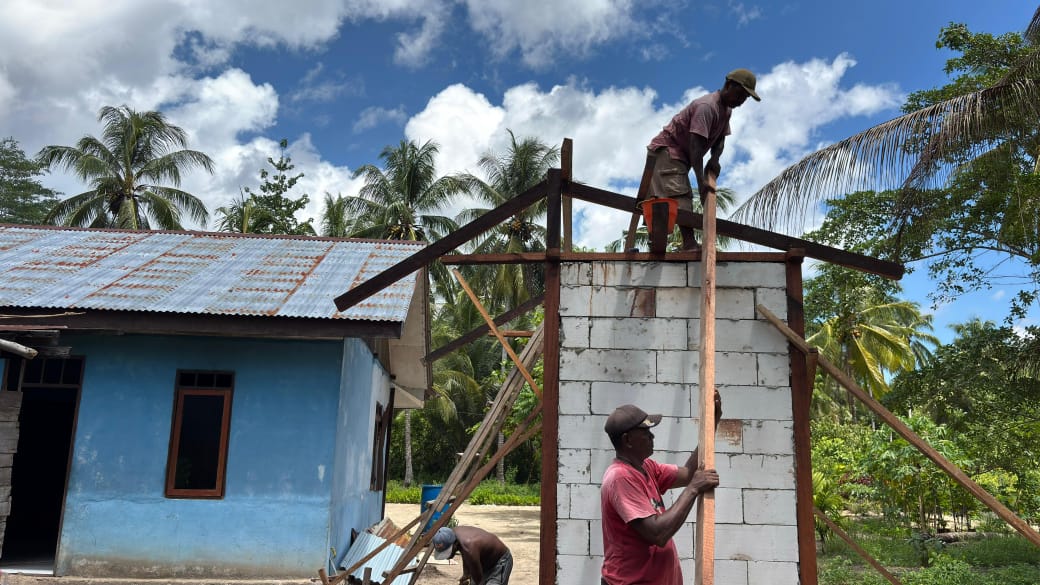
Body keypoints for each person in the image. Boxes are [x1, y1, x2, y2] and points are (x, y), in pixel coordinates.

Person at [600, 394, 723, 585]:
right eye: (646, 432)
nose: (652, 436)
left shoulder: (646, 467)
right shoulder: (620, 477)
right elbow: (658, 534)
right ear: (628, 440)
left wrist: (711, 425)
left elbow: (689, 473)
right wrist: (693, 489)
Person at [646, 68, 761, 250]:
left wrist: (715, 159)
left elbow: (721, 138)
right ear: (729, 85)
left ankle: (664, 242)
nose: (741, 101)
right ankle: (688, 243)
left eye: (745, 99)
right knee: (680, 194)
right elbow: (695, 146)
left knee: (665, 196)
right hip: (666, 150)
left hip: (682, 155)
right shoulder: (706, 107)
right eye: (740, 95)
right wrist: (700, 181)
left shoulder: (726, 110)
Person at [431, 525, 512, 585]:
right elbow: (464, 554)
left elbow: (478, 580)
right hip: (483, 563)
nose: (447, 557)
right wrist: (466, 574)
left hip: (499, 562)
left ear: (454, 544)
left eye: (447, 551)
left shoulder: (469, 547)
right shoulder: (452, 535)